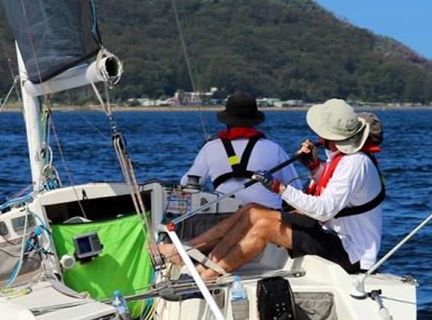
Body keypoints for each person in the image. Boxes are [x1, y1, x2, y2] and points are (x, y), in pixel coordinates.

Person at [162, 99, 384, 280]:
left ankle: (208, 274)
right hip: (330, 233)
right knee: (251, 211)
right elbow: (335, 193)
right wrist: (314, 167)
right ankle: (197, 259)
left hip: (350, 251)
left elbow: (324, 209)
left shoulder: (355, 163)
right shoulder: (345, 159)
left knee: (264, 227)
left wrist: (279, 187)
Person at [181, 92, 300, 209]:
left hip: (225, 218)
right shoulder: (274, 148)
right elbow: (296, 189)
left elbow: (186, 184)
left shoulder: (210, 148)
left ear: (227, 120)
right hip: (268, 217)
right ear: (254, 120)